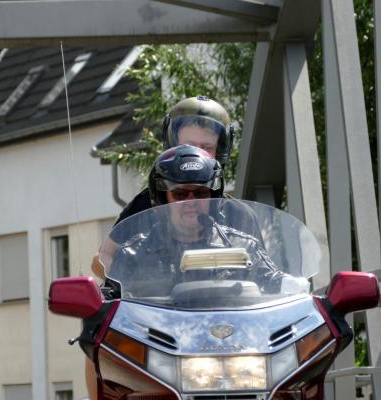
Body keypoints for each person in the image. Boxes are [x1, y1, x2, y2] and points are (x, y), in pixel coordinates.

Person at [105, 145, 286, 299]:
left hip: (228, 329)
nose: (191, 201)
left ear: (213, 196)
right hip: (155, 331)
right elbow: (108, 302)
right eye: (180, 194)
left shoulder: (244, 247)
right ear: (162, 198)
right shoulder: (134, 255)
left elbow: (274, 280)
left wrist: (290, 284)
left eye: (200, 193)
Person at [91, 96, 235, 278]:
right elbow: (102, 258)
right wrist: (133, 282)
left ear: (220, 151)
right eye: (179, 194)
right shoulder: (145, 204)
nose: (197, 154)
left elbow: (261, 275)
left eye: (207, 147)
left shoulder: (239, 213)